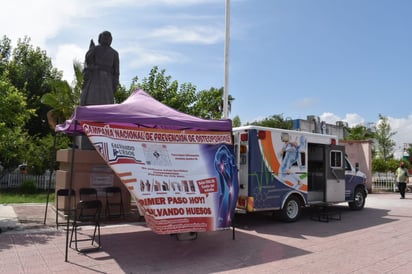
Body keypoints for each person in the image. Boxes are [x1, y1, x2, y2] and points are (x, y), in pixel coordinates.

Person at [80, 31, 119, 106]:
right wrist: (91, 50)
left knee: (107, 102)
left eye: (109, 37)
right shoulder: (95, 49)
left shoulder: (114, 53)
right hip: (95, 77)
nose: (107, 38)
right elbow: (88, 62)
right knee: (92, 99)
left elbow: (116, 71)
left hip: (108, 80)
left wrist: (115, 82)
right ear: (100, 38)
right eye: (104, 36)